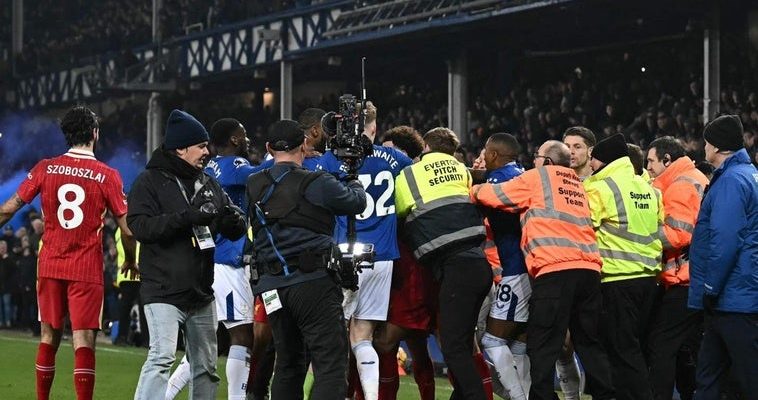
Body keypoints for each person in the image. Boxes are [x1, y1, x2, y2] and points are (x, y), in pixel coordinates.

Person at [0, 105, 137, 400]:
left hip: (49, 265)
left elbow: (8, 209)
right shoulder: (107, 175)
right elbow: (127, 230)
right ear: (95, 134)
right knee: (84, 340)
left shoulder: (45, 168)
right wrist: (133, 260)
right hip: (86, 269)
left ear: (66, 136)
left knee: (48, 336)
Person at [471, 140, 615, 400]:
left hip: (555, 269)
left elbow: (495, 196)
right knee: (589, 345)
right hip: (589, 270)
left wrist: (473, 188)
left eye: (536, 156)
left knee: (543, 345)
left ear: (547, 162)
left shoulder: (538, 177)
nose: (532, 162)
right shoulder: (577, 185)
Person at [128, 109, 247, 400]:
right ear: (181, 148)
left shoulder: (208, 182)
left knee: (206, 366)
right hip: (163, 288)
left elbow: (234, 220)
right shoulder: (150, 181)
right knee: (161, 358)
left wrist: (235, 223)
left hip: (201, 291)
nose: (207, 152)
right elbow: (139, 226)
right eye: (201, 146)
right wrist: (186, 218)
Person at [246, 119, 366, 400]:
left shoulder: (254, 184)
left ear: (268, 148)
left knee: (288, 363)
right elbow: (355, 202)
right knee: (330, 364)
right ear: (304, 145)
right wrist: (353, 179)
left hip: (271, 286)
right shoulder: (317, 182)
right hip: (313, 282)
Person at [317, 102, 412, 400]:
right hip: (382, 257)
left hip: (344, 254)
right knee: (363, 335)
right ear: (373, 126)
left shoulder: (332, 159)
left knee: (334, 335)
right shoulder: (396, 159)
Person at [163, 118, 261, 400]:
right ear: (233, 140)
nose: (247, 140)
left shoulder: (207, 168)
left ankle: (163, 395)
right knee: (242, 335)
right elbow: (263, 174)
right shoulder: (235, 165)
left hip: (208, 260)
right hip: (229, 262)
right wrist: (279, 153)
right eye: (243, 136)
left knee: (206, 343)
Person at [394, 127, 492, 400]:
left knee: (453, 347)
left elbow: (400, 212)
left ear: (425, 146)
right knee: (462, 343)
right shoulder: (462, 171)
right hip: (478, 263)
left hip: (454, 267)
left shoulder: (410, 174)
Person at [584, 133, 663, 400]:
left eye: (593, 161)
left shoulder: (600, 188)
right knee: (633, 350)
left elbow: (584, 227)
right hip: (649, 280)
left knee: (623, 353)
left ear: (603, 161)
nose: (590, 166)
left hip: (617, 279)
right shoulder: (651, 190)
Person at [689, 115, 758, 398]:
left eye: (706, 142)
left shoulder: (731, 181)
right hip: (735, 295)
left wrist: (709, 286)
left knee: (746, 377)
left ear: (716, 147)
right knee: (709, 375)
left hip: (733, 298)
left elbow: (725, 240)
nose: (704, 148)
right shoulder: (748, 174)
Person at [374, 125, 436, 400]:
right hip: (407, 272)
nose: (382, 158)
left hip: (409, 274)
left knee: (383, 343)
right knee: (418, 345)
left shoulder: (409, 183)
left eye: (389, 152)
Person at [643, 136, 708, 400]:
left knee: (661, 346)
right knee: (684, 347)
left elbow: (679, 235)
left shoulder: (680, 186)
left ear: (667, 160)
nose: (648, 167)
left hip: (684, 279)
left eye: (651, 161)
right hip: (696, 276)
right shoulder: (694, 178)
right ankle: (690, 393)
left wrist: (644, 233)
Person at [476, 133, 530, 400]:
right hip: (533, 267)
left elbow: (479, 200)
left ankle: (518, 398)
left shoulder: (499, 178)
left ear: (495, 155)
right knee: (519, 341)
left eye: (485, 152)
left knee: (492, 340)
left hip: (516, 270)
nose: (483, 156)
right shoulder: (524, 174)